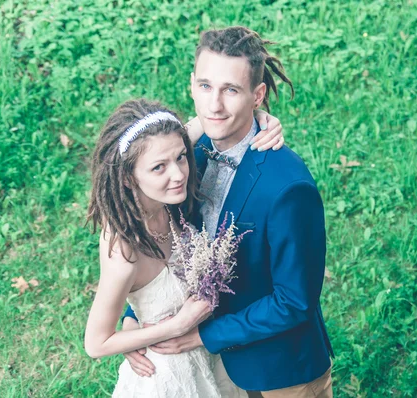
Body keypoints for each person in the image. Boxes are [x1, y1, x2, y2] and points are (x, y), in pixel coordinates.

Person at [123, 26, 334, 397]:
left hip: (279, 371)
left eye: (231, 90)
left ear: (258, 95)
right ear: (191, 84)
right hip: (211, 371)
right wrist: (134, 315)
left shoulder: (288, 188)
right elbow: (163, 238)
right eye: (205, 86)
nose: (214, 105)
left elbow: (295, 301)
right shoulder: (184, 154)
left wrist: (202, 335)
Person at [83, 98, 283, 397]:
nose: (178, 174)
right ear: (127, 177)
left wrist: (257, 115)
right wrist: (177, 326)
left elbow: (210, 114)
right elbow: (96, 343)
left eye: (180, 157)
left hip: (209, 356)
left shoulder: (163, 169)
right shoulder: (123, 251)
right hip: (167, 375)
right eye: (159, 167)